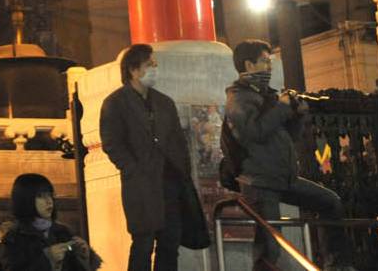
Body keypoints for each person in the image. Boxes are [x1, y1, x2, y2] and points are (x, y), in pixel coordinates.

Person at [223, 39, 346, 270]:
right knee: (270, 247)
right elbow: (253, 132)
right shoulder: (238, 98)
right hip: (259, 180)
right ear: (249, 65)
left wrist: (297, 115)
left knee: (331, 203)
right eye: (264, 61)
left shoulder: (268, 96)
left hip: (284, 177)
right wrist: (281, 108)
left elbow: (288, 136)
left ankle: (336, 264)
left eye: (270, 62)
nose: (269, 67)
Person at [99, 44, 203, 271]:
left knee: (170, 243)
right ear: (133, 70)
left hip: (171, 183)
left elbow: (177, 140)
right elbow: (112, 143)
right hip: (141, 184)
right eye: (150, 65)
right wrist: (133, 168)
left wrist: (182, 171)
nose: (155, 69)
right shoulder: (115, 103)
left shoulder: (164, 102)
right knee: (143, 243)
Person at [0, 173, 100, 271]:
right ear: (26, 199)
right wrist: (47, 260)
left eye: (50, 195)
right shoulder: (14, 238)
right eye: (41, 196)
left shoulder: (62, 232)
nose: (49, 201)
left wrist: (85, 256)